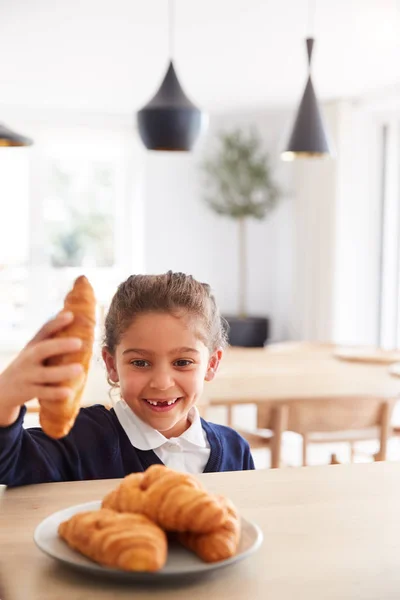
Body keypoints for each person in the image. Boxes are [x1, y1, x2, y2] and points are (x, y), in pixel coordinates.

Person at [0, 272, 254, 487]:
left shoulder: (235, 451)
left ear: (211, 364)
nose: (162, 383)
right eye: (140, 363)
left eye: (182, 363)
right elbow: (8, 461)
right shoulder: (79, 441)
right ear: (112, 365)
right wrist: (5, 396)